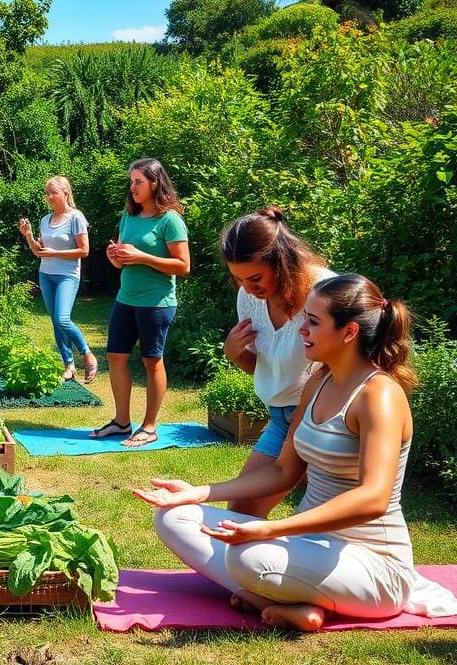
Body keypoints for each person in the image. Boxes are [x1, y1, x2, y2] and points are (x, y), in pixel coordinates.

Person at [134, 274, 457, 631]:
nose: (301, 328)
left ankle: (283, 597)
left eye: (313, 322)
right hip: (306, 545)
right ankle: (287, 602)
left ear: (349, 332)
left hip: (375, 566)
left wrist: (272, 530)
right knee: (174, 517)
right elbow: (283, 471)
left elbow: (373, 498)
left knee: (249, 556)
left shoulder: (379, 396)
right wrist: (198, 493)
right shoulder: (318, 381)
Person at [219, 207, 333, 516]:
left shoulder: (326, 292)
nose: (248, 289)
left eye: (254, 278)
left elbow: (353, 368)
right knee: (240, 512)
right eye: (239, 280)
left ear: (282, 262)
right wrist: (234, 352)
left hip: (323, 420)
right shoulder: (250, 298)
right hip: (282, 418)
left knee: (328, 517)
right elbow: (268, 369)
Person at [91, 158, 190, 446]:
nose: (132, 187)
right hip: (126, 299)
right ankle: (122, 422)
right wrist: (116, 258)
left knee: (151, 361)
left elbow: (183, 267)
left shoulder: (170, 220)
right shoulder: (128, 216)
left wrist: (143, 256)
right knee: (115, 357)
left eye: (139, 182)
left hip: (156, 303)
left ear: (155, 183)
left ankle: (149, 426)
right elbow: (125, 262)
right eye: (131, 181)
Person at [18, 176, 99, 383]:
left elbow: (84, 250)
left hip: (67, 276)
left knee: (63, 318)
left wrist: (55, 253)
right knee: (56, 322)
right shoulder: (46, 219)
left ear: (66, 193)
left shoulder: (76, 217)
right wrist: (28, 235)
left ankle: (88, 355)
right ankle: (69, 365)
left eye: (54, 192)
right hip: (46, 275)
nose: (50, 197)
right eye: (48, 193)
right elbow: (40, 252)